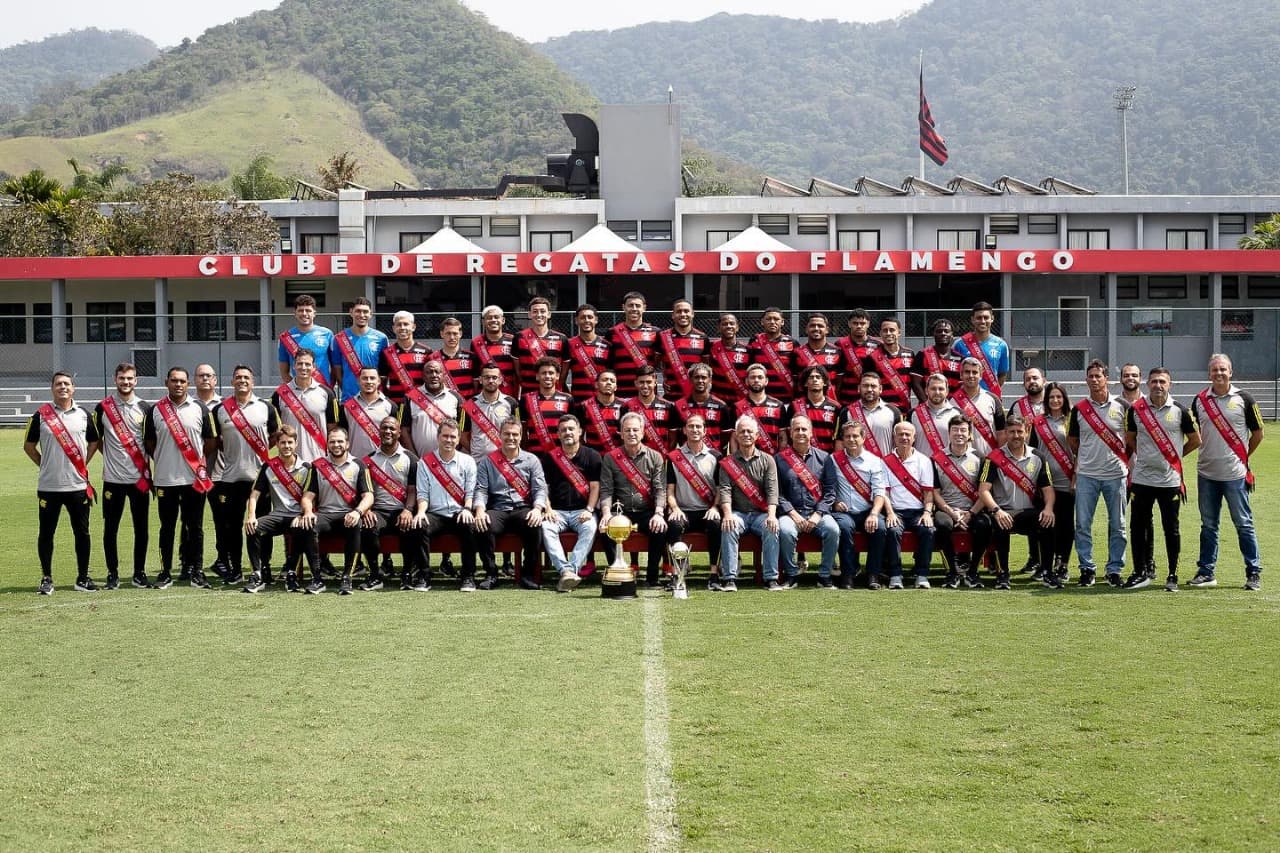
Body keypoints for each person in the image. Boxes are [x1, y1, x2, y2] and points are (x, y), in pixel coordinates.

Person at [1190, 353, 1264, 590]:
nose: (1219, 374)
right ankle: (1206, 572)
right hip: (1206, 475)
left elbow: (1258, 434)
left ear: (1230, 372)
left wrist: (1242, 458)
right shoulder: (1199, 400)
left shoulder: (1245, 398)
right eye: (1215, 370)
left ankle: (1253, 572)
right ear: (1209, 373)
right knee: (1208, 525)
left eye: (1223, 369)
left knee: (1243, 523)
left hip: (1235, 476)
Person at [1125, 368, 1200, 590]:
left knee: (1171, 528)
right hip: (1142, 479)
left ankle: (1172, 574)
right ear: (1147, 384)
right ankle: (1140, 571)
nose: (1158, 385)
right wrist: (1147, 457)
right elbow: (1130, 438)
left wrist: (1175, 457)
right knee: (1138, 527)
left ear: (1170, 384)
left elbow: (1196, 440)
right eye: (1154, 381)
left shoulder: (1180, 410)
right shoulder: (1136, 410)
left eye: (1162, 382)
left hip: (1169, 482)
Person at [26, 371, 100, 595]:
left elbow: (94, 442)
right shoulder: (41, 415)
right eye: (58, 384)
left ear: (73, 388)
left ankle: (83, 577)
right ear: (52, 388)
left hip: (77, 486)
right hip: (49, 487)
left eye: (67, 384)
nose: (63, 387)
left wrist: (81, 465)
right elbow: (29, 446)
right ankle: (47, 578)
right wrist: (45, 465)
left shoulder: (85, 415)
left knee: (82, 533)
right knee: (46, 533)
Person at [144, 366, 217, 589]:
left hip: (194, 480)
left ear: (188, 384)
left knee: (194, 527)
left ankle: (197, 570)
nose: (178, 384)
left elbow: (211, 441)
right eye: (174, 380)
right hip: (165, 480)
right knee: (167, 527)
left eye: (182, 381)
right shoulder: (155, 410)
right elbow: (148, 442)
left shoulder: (201, 408)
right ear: (167, 382)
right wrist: (164, 459)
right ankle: (165, 572)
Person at [210, 365, 280, 585]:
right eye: (238, 377)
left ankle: (264, 567)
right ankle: (236, 568)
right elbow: (215, 441)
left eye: (246, 377)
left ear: (253, 382)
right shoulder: (220, 410)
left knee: (261, 526)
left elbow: (276, 435)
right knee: (231, 528)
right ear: (232, 381)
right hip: (229, 477)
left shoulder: (266, 407)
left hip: (259, 479)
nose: (242, 380)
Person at [971, 415, 1055, 590]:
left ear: (1027, 432)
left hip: (1027, 512)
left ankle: (1047, 572)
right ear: (1006, 434)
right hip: (1002, 511)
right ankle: (1003, 574)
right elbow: (983, 490)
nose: (1016, 435)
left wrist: (1048, 508)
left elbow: (1048, 489)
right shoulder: (993, 458)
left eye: (1019, 431)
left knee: (1049, 522)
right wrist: (996, 510)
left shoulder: (1038, 456)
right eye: (1011, 432)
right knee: (1001, 524)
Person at [1067, 359, 1130, 587]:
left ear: (1107, 380)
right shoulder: (1079, 409)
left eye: (1098, 376)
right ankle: (1087, 568)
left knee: (1118, 525)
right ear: (1086, 380)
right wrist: (1088, 456)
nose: (1095, 380)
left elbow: (1131, 440)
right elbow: (1073, 440)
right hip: (1087, 475)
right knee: (1083, 524)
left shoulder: (1123, 406)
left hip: (1116, 474)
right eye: (1091, 376)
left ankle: (1114, 569)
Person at [95, 362, 153, 589]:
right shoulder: (103, 408)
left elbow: (150, 442)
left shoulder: (146, 408)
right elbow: (96, 441)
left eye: (130, 378)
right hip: (113, 480)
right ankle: (113, 573)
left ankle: (139, 573)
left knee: (141, 528)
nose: (126, 382)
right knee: (111, 528)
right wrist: (112, 457)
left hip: (139, 479)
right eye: (122, 378)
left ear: (136, 380)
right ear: (115, 379)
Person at [716, 414, 790, 591]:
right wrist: (727, 515)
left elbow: (773, 491)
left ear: (757, 436)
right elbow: (725, 491)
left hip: (760, 514)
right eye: (742, 431)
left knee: (772, 526)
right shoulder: (727, 462)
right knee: (729, 526)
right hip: (738, 513)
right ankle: (729, 579)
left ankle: (771, 578)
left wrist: (771, 516)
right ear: (736, 435)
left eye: (750, 431)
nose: (746, 434)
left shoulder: (768, 460)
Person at [474, 419, 550, 590]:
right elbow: (481, 490)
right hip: (497, 509)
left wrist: (538, 509)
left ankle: (527, 575)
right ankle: (491, 574)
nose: (511, 437)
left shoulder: (532, 460)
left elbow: (540, 489)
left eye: (515, 434)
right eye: (507, 434)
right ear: (500, 435)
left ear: (521, 436)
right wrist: (479, 510)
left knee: (534, 525)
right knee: (482, 525)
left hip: (522, 508)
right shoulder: (488, 461)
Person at [297, 426, 373, 595]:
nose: (336, 445)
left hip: (348, 514)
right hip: (324, 514)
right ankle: (317, 579)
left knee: (356, 524)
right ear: (327, 445)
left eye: (340, 441)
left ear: (347, 444)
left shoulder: (359, 465)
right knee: (309, 525)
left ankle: (347, 577)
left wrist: (357, 512)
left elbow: (368, 496)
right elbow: (307, 497)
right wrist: (308, 512)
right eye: (332, 442)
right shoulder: (317, 466)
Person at [600, 412, 671, 587]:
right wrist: (606, 514)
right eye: (627, 430)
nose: (632, 433)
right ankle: (616, 574)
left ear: (642, 432)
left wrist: (659, 513)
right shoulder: (611, 458)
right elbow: (606, 489)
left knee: (659, 529)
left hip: (647, 511)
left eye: (635, 430)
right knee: (606, 529)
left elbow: (660, 489)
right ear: (621, 433)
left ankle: (652, 578)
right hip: (620, 512)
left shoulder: (655, 457)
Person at [358, 416, 425, 591]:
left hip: (401, 510)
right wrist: (367, 511)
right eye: (384, 428)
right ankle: (374, 574)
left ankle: (407, 574)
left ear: (398, 432)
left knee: (410, 526)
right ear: (379, 431)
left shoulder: (411, 459)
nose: (388, 431)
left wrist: (408, 510)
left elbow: (413, 490)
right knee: (366, 526)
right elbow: (365, 491)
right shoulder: (368, 461)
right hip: (378, 511)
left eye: (392, 429)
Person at [412, 420, 480, 591]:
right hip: (436, 513)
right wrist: (420, 512)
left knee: (470, 525)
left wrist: (467, 509)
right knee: (419, 525)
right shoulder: (425, 463)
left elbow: (470, 492)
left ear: (458, 440)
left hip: (459, 512)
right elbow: (422, 494)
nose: (448, 440)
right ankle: (424, 576)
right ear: (438, 437)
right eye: (445, 436)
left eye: (453, 437)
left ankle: (468, 576)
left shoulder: (468, 461)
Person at [822, 420, 889, 589]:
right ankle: (848, 574)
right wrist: (835, 502)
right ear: (842, 439)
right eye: (847, 436)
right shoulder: (834, 460)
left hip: (868, 510)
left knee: (880, 528)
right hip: (843, 512)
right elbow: (828, 486)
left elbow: (880, 491)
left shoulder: (874, 461)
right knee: (843, 528)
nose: (851, 440)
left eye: (855, 436)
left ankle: (873, 574)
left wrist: (874, 513)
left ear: (863, 438)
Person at [242, 425, 309, 593]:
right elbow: (254, 495)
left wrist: (303, 515)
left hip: (297, 516)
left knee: (301, 527)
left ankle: (291, 574)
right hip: (277, 515)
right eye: (283, 443)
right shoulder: (269, 467)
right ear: (277, 445)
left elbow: (312, 497)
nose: (286, 446)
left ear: (296, 444)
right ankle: (257, 574)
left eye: (290, 443)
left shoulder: (307, 468)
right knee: (252, 528)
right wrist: (251, 516)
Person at [540, 414, 601, 592]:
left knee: (590, 527)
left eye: (571, 429)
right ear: (558, 434)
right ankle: (566, 570)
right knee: (546, 527)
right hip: (557, 511)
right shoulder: (549, 458)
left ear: (580, 432)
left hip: (582, 510)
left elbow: (595, 487)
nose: (568, 433)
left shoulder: (592, 456)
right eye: (563, 430)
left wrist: (589, 510)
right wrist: (548, 509)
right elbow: (544, 487)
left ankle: (569, 570)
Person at [776, 416, 839, 587]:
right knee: (786, 531)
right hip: (791, 514)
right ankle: (791, 575)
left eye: (804, 429)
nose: (801, 433)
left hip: (817, 513)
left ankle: (824, 575)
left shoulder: (825, 458)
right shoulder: (779, 459)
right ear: (790, 433)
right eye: (797, 429)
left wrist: (818, 514)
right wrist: (794, 514)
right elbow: (777, 494)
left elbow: (830, 491)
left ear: (811, 433)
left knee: (833, 529)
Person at [1028, 382, 1077, 586]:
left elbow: (1080, 449)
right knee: (1047, 525)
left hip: (1067, 480)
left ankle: (1063, 563)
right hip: (1045, 483)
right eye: (1051, 398)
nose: (1055, 401)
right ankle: (1045, 564)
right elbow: (1031, 450)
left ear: (1064, 399)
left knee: (1066, 524)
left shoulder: (1072, 420)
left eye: (1059, 397)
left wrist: (1075, 477)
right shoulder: (1038, 422)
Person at [665, 413, 723, 582]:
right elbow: (669, 490)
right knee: (673, 525)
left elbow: (721, 488)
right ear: (684, 430)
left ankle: (714, 572)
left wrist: (715, 507)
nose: (694, 430)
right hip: (684, 511)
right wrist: (675, 508)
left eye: (698, 426)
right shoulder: (674, 457)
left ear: (705, 431)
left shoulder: (716, 456)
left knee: (715, 524)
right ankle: (678, 571)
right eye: (691, 426)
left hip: (707, 510)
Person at [930, 417, 985, 589]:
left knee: (985, 525)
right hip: (946, 509)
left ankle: (973, 571)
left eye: (963, 430)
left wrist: (970, 514)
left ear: (969, 434)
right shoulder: (937, 459)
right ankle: (952, 572)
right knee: (942, 524)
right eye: (955, 430)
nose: (959, 434)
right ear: (949, 432)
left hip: (973, 509)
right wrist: (951, 512)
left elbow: (984, 492)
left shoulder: (980, 458)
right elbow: (935, 492)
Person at [880, 421, 936, 589]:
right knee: (893, 530)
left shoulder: (924, 461)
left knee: (928, 530)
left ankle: (922, 574)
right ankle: (895, 575)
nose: (904, 437)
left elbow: (928, 493)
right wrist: (890, 513)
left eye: (907, 435)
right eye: (900, 434)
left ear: (914, 438)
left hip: (918, 511)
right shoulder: (885, 461)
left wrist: (927, 513)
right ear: (894, 437)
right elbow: (884, 493)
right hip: (896, 510)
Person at [272, 347, 339, 464]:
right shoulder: (279, 394)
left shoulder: (327, 393)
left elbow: (332, 428)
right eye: (300, 364)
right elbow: (274, 430)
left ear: (314, 367)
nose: (303, 367)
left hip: (319, 460)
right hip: (289, 462)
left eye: (307, 364)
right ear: (294, 366)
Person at [399, 359, 465, 458]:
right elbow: (403, 431)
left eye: (437, 372)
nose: (434, 375)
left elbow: (463, 431)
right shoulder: (410, 398)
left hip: (449, 461)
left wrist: (453, 453)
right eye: (429, 372)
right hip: (420, 461)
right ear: (423, 376)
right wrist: (414, 458)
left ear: (444, 375)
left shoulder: (456, 398)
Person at [331, 296, 389, 401]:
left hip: (375, 399)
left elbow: (384, 372)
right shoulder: (339, 339)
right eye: (358, 311)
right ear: (351, 312)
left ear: (370, 314)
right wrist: (347, 389)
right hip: (350, 399)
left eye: (365, 312)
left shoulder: (381, 338)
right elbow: (337, 371)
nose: (362, 315)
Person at [837, 371, 902, 457]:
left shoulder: (894, 412)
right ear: (859, 388)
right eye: (865, 386)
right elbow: (840, 443)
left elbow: (900, 442)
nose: (869, 389)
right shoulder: (847, 412)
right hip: (855, 468)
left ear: (880, 389)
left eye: (873, 386)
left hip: (885, 467)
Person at [951, 301, 1009, 396]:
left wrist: (991, 391)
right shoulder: (959, 344)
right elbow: (953, 374)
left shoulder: (1001, 345)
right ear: (972, 320)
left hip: (990, 397)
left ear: (992, 319)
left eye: (986, 317)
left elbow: (1002, 375)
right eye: (978, 318)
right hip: (965, 399)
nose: (982, 321)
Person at [951, 357, 1006, 457]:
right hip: (959, 461)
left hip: (988, 459)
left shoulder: (993, 399)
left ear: (980, 375)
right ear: (961, 375)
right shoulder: (951, 401)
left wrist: (1001, 457)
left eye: (975, 372)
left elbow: (1001, 433)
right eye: (967, 372)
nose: (971, 375)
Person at [465, 362, 519, 462]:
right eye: (487, 377)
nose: (490, 381)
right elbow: (463, 435)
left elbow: (518, 431)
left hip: (504, 461)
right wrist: (476, 450)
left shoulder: (511, 403)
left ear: (500, 380)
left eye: (494, 378)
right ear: (480, 380)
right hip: (478, 461)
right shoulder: (470, 404)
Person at [608, 291, 660, 392]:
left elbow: (660, 360)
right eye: (630, 305)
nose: (634, 309)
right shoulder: (612, 333)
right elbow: (609, 364)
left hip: (647, 392)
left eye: (637, 305)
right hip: (620, 392)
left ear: (644, 308)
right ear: (623, 307)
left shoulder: (656, 332)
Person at [514, 296, 568, 395]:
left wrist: (558, 383)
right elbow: (517, 368)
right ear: (529, 314)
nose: (539, 315)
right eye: (535, 311)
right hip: (528, 392)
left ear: (549, 314)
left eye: (542, 311)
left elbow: (565, 369)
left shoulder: (562, 338)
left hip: (553, 392)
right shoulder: (519, 337)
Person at [673, 362, 732, 452]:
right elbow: (677, 435)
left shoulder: (721, 406)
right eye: (697, 377)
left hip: (713, 456)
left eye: (704, 377)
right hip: (687, 459)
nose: (700, 380)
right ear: (690, 380)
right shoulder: (679, 405)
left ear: (710, 380)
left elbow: (725, 436)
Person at [277, 294, 334, 386]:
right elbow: (284, 373)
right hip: (298, 395)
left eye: (308, 310)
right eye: (300, 310)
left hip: (323, 390)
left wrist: (328, 388)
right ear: (295, 313)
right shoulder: (286, 338)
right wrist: (296, 389)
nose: (304, 313)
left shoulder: (327, 334)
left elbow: (335, 367)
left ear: (314, 313)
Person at [343, 366, 397, 461]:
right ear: (358, 381)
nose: (369, 382)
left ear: (379, 381)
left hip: (382, 463)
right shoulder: (347, 406)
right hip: (354, 462)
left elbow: (396, 436)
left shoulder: (391, 406)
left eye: (372, 378)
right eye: (364, 378)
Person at [522, 356, 574, 454]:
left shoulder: (568, 399)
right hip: (534, 455)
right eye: (543, 373)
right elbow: (523, 430)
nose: (547, 376)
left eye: (551, 373)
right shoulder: (526, 399)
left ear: (557, 376)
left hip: (561, 455)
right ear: (537, 376)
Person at [380, 309, 432, 406]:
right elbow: (382, 381)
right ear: (393, 328)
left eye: (406, 324)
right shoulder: (387, 353)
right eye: (399, 324)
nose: (402, 327)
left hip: (420, 404)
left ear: (413, 327)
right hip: (396, 404)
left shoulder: (426, 351)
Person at [659, 297, 708, 400]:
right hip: (670, 397)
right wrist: (662, 379)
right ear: (673, 315)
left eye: (686, 311)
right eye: (679, 311)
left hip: (695, 397)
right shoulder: (662, 337)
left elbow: (706, 366)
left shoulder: (703, 337)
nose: (683, 314)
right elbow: (656, 363)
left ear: (692, 314)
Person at [734, 363, 789, 455]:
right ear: (747, 381)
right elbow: (734, 438)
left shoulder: (778, 405)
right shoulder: (737, 407)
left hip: (772, 457)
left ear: (766, 381)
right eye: (753, 377)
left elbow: (782, 437)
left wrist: (780, 459)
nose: (756, 380)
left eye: (760, 377)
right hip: (745, 458)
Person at [864, 317, 919, 409]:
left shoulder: (910, 354)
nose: (888, 333)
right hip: (881, 409)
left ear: (899, 332)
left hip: (905, 408)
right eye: (885, 330)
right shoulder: (872, 357)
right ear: (881, 333)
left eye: (892, 330)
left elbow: (915, 383)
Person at [748, 306, 796, 400]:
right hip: (762, 398)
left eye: (776, 319)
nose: (772, 322)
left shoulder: (792, 343)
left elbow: (796, 371)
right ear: (762, 322)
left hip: (787, 397)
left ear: (782, 322)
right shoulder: (754, 341)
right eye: (768, 319)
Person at [625, 364, 678, 451]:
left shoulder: (669, 406)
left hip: (661, 458)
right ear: (636, 383)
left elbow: (673, 439)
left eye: (649, 382)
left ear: (655, 382)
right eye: (641, 382)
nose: (645, 386)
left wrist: (665, 457)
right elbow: (623, 437)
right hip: (635, 459)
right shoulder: (627, 407)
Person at [566, 303, 611, 405]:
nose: (586, 320)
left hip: (601, 401)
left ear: (596, 320)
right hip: (577, 401)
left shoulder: (607, 345)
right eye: (582, 317)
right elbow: (562, 375)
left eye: (590, 317)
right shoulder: (569, 344)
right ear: (576, 321)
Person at [910, 373, 962, 460]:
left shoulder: (958, 414)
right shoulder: (913, 414)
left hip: (948, 469)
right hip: (921, 469)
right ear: (926, 390)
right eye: (933, 388)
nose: (937, 392)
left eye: (941, 389)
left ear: (947, 391)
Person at [791, 365, 841, 452]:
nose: (815, 380)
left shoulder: (836, 407)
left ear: (824, 382)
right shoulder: (795, 406)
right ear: (806, 383)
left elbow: (838, 437)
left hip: (826, 457)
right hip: (800, 457)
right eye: (811, 377)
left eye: (818, 377)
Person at [792, 313, 842, 399]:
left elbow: (840, 381)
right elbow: (795, 381)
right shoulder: (797, 352)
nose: (816, 328)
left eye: (820, 326)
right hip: (804, 404)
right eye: (812, 325)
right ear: (806, 329)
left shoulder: (837, 352)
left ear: (827, 330)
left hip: (830, 403)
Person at [471, 305, 517, 397]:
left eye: (496, 317)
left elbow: (517, 370)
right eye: (489, 318)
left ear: (503, 320)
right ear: (483, 322)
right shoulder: (476, 343)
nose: (493, 320)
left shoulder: (513, 340)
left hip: (509, 394)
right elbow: (475, 372)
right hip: (485, 395)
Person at [837, 308, 879, 402]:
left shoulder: (878, 345)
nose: (859, 326)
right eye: (855, 323)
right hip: (847, 398)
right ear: (849, 324)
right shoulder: (840, 344)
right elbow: (838, 375)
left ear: (868, 324)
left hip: (870, 397)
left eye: (862, 323)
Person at [912, 318, 963, 396]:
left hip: (952, 405)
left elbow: (961, 385)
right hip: (928, 405)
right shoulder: (922, 354)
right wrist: (926, 404)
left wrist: (952, 405)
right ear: (934, 334)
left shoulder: (960, 358)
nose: (943, 333)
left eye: (946, 331)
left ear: (952, 335)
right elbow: (916, 384)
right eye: (939, 331)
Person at [708, 312, 750, 405]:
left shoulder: (747, 349)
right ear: (718, 328)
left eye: (732, 323)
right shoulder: (711, 347)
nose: (728, 326)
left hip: (740, 401)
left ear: (737, 327)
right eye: (724, 324)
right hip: (717, 401)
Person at [431, 316, 477, 401]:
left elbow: (476, 385)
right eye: (448, 333)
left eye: (455, 333)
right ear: (442, 334)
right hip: (443, 407)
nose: (452, 337)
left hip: (468, 407)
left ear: (460, 334)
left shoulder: (472, 357)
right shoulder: (432, 359)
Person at [579, 369, 625, 453]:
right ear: (596, 385)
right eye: (604, 380)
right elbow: (579, 436)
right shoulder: (585, 406)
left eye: (612, 381)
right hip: (593, 458)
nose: (608, 383)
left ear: (616, 387)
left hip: (617, 459)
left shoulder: (624, 406)